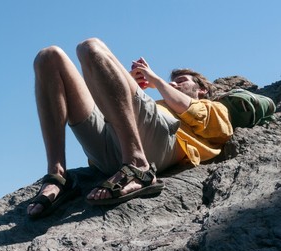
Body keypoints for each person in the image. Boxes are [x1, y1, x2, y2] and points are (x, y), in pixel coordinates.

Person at [27, 38, 233, 219]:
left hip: (157, 149)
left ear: (203, 90)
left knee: (90, 47)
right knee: (48, 57)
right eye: (172, 81)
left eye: (181, 81)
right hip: (108, 153)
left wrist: (156, 81)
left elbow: (222, 132)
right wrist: (117, 83)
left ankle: (137, 165)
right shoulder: (158, 105)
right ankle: (58, 176)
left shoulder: (213, 108)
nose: (174, 83)